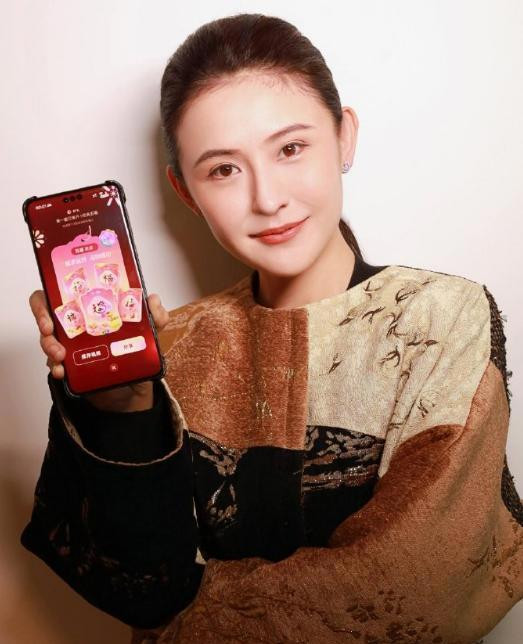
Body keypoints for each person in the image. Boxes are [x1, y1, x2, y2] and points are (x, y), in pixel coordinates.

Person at [24, 12, 522, 644]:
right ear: (186, 192)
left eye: (290, 148)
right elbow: (140, 590)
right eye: (223, 169)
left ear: (344, 137)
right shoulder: (169, 347)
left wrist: (187, 618)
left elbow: (419, 589)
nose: (267, 199)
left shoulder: (441, 317)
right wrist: (122, 411)